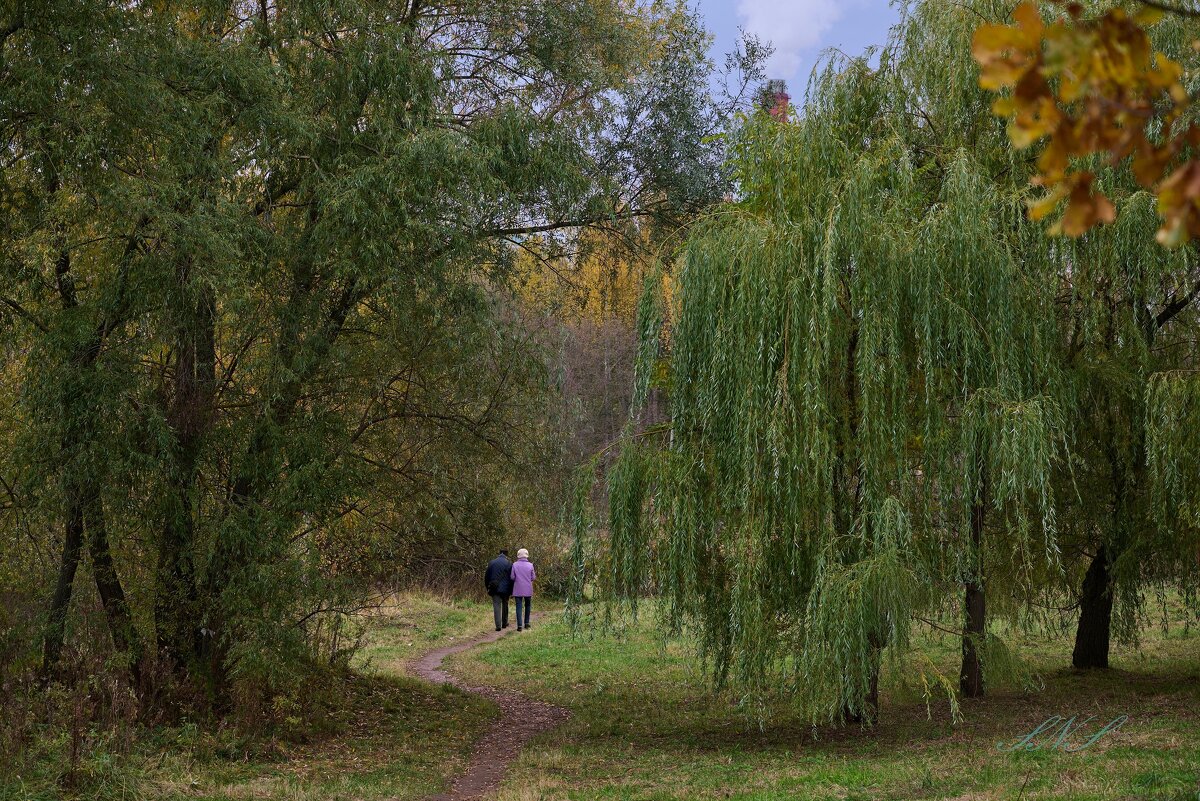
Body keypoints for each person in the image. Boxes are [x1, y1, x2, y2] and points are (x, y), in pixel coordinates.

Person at [484, 549, 513, 631]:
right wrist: (511, 590)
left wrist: (487, 587)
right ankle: (504, 622)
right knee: (505, 604)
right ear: (506, 555)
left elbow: (487, 577)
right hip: (506, 588)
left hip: (494, 588)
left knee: (496, 605)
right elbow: (512, 578)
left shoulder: (492, 563)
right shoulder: (509, 563)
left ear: (499, 553)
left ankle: (498, 626)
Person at [510, 547, 536, 631]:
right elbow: (533, 577)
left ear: (518, 555)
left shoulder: (514, 565)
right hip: (528, 588)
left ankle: (519, 626)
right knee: (528, 605)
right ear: (527, 555)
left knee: (519, 606)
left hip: (518, 588)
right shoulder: (530, 565)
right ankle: (527, 623)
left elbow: (512, 577)